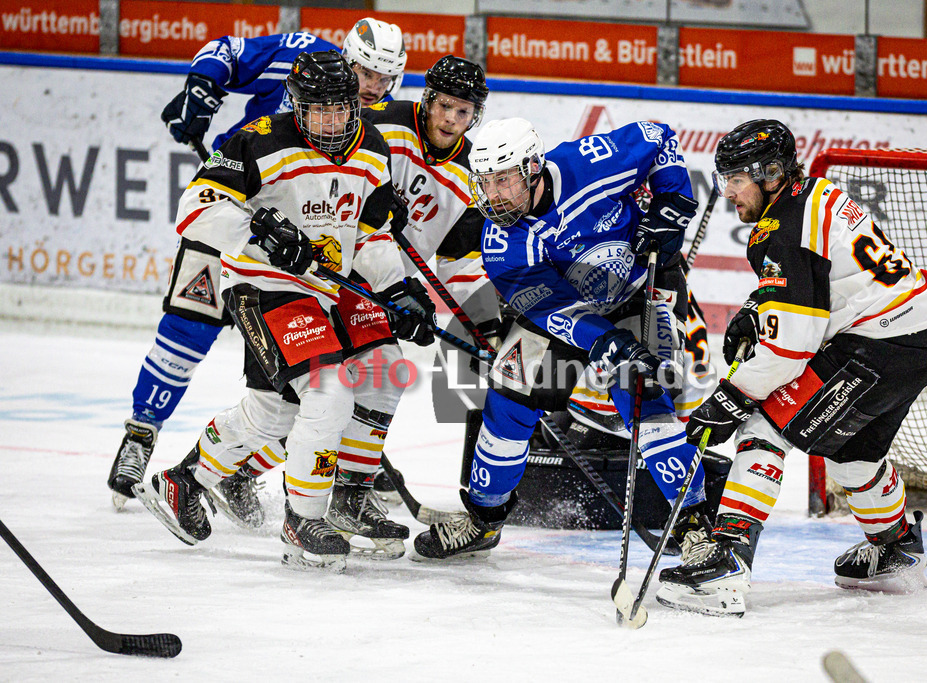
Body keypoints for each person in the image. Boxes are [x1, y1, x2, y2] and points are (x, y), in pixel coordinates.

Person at [132, 50, 427, 573]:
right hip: (261, 285)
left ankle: (186, 481)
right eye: (318, 110)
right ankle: (303, 521)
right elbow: (193, 210)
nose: (331, 121)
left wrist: (397, 289)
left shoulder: (373, 149)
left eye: (340, 109)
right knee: (329, 390)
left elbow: (370, 234)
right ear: (297, 106)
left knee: (285, 407)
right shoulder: (258, 139)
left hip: (322, 291)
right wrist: (259, 232)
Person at [655, 119, 927, 616]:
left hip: (878, 344)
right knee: (854, 455)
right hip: (923, 338)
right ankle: (896, 550)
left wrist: (731, 398)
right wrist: (758, 306)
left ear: (772, 174)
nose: (728, 191)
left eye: (738, 179)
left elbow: (789, 351)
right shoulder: (816, 193)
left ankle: (726, 564)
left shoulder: (783, 229)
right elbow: (824, 283)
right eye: (725, 178)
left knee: (764, 425)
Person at [231, 54, 497, 559]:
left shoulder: (469, 173)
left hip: (387, 287)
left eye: (463, 112)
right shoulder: (381, 125)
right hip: (327, 278)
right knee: (314, 398)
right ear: (427, 99)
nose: (450, 119)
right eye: (443, 105)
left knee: (373, 383)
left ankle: (345, 494)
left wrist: (479, 324)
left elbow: (460, 261)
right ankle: (250, 476)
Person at [411, 117, 708, 561]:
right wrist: (603, 340)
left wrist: (672, 202)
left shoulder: (589, 163)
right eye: (485, 182)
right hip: (572, 311)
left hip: (641, 290)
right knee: (509, 394)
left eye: (504, 180)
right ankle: (484, 520)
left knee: (645, 398)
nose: (493, 195)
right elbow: (551, 310)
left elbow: (659, 136)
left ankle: (696, 529)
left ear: (532, 168)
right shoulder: (501, 242)